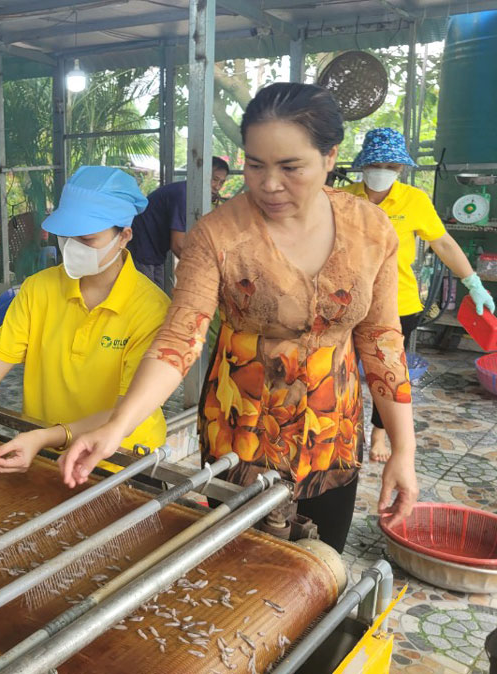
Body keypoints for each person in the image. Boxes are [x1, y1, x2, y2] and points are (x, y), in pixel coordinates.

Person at [59, 83, 419, 555]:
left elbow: (381, 339)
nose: (269, 184)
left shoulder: (371, 229)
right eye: (255, 165)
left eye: (291, 167)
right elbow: (179, 338)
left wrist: (404, 450)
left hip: (334, 433)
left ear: (330, 157)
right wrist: (118, 424)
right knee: (244, 569)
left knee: (321, 563)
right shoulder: (218, 235)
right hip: (242, 432)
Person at [0, 167, 171, 472]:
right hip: (45, 448)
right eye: (67, 237)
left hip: (121, 462)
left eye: (87, 239)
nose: (73, 248)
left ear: (124, 237)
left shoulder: (152, 310)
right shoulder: (39, 289)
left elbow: (126, 410)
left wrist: (46, 437)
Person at [342, 128, 496, 461]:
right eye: (377, 163)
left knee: (388, 373)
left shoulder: (414, 200)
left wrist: (473, 282)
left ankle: (379, 435)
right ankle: (344, 428)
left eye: (392, 165)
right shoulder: (342, 197)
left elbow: (442, 242)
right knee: (342, 371)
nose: (384, 170)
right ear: (363, 165)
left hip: (398, 304)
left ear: (401, 169)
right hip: (348, 303)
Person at [128, 157, 230, 289]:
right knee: (145, 295)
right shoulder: (184, 194)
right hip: (141, 246)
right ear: (202, 174)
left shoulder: (193, 194)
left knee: (159, 294)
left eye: (221, 182)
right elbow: (177, 244)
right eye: (214, 179)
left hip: (155, 250)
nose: (217, 187)